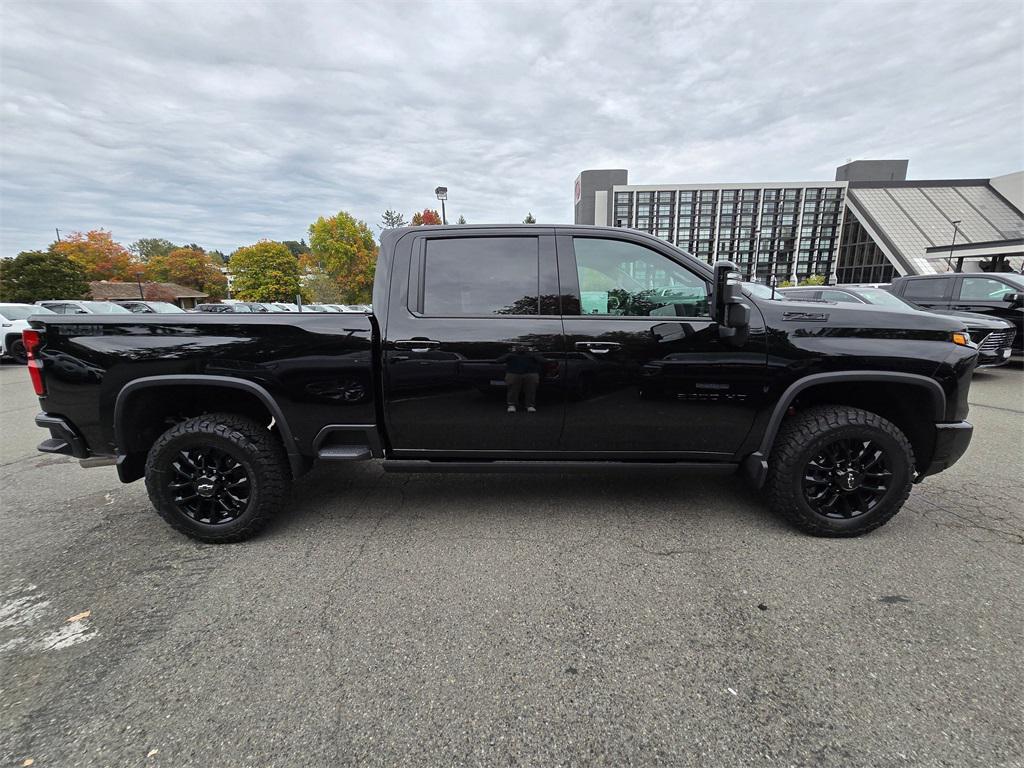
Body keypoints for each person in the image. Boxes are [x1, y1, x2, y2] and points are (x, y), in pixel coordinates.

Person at [496, 347, 546, 413]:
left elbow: (543, 361)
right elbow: (499, 360)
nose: (521, 349)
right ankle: (512, 405)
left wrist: (533, 354)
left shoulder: (533, 354)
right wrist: (510, 354)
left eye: (524, 347)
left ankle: (530, 405)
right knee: (512, 390)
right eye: (519, 347)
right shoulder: (510, 354)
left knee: (531, 390)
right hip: (513, 373)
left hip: (530, 373)